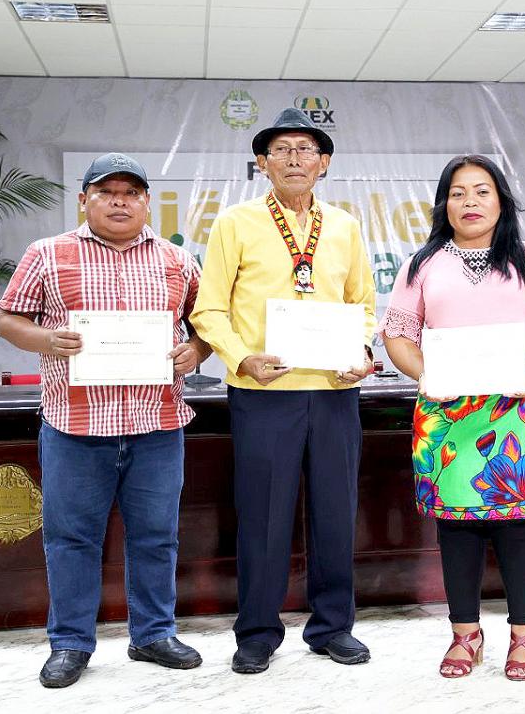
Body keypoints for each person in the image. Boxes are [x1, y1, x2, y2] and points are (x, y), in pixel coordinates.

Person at [0, 152, 210, 688]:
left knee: (156, 537)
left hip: (156, 424)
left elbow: (206, 324)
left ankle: (154, 634)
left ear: (145, 202)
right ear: (84, 199)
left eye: (131, 193)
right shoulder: (47, 254)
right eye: (107, 191)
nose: (120, 201)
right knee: (71, 539)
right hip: (74, 427)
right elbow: (7, 319)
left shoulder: (176, 260)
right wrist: (47, 340)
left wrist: (197, 351)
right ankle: (69, 643)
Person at [381, 155, 525, 681]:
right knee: (457, 529)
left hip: (517, 410)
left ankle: (523, 635)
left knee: (517, 526)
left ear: (502, 201)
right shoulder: (421, 265)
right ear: (443, 203)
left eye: (482, 191)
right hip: (447, 414)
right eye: (458, 193)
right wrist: (425, 375)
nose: (469, 202)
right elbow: (397, 334)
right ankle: (464, 634)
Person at [190, 108, 377, 674]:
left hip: (333, 392)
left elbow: (364, 306)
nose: (294, 159)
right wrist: (242, 356)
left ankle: (331, 628)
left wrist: (361, 353)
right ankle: (257, 632)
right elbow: (209, 308)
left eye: (305, 150)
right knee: (264, 517)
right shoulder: (235, 223)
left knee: (336, 513)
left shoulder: (344, 225)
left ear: (324, 164)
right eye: (282, 150)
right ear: (262, 162)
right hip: (263, 393)